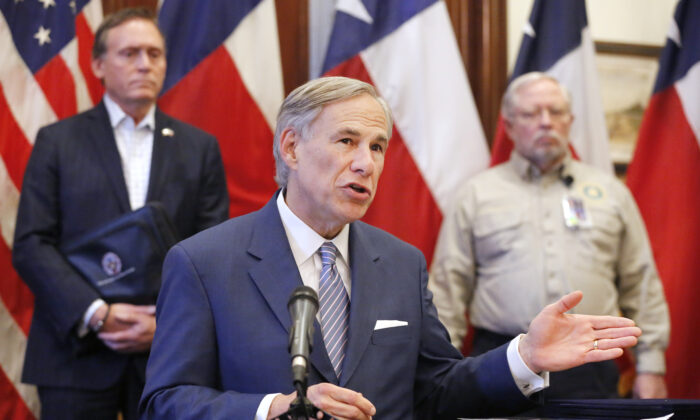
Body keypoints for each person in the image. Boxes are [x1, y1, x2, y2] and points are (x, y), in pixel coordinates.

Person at [139, 76, 641, 420]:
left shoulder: (401, 262)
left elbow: (437, 387)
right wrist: (272, 408)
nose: (366, 163)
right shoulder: (204, 261)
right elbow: (165, 401)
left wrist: (525, 357)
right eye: (347, 141)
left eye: (377, 147)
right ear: (291, 148)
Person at [12, 8, 229, 420]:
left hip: (169, 357)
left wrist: (164, 322)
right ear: (98, 64)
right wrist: (97, 314)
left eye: (154, 53)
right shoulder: (57, 142)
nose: (145, 64)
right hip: (75, 356)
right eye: (129, 53)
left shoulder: (199, 148)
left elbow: (212, 252)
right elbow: (31, 243)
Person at [429, 72, 670, 400]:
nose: (546, 122)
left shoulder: (611, 193)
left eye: (555, 112)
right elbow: (447, 288)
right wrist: (445, 369)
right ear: (510, 126)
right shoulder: (476, 194)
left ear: (570, 121)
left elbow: (640, 281)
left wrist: (651, 366)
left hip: (592, 361)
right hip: (502, 358)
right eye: (531, 114)